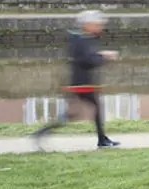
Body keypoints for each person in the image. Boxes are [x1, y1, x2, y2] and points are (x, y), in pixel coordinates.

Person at [32, 10, 120, 149]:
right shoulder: (81, 40)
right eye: (97, 24)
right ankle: (102, 140)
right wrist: (104, 56)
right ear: (88, 25)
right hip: (81, 84)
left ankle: (102, 139)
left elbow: (87, 58)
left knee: (76, 113)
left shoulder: (81, 38)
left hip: (81, 83)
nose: (100, 27)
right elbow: (87, 60)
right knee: (83, 112)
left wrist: (99, 55)